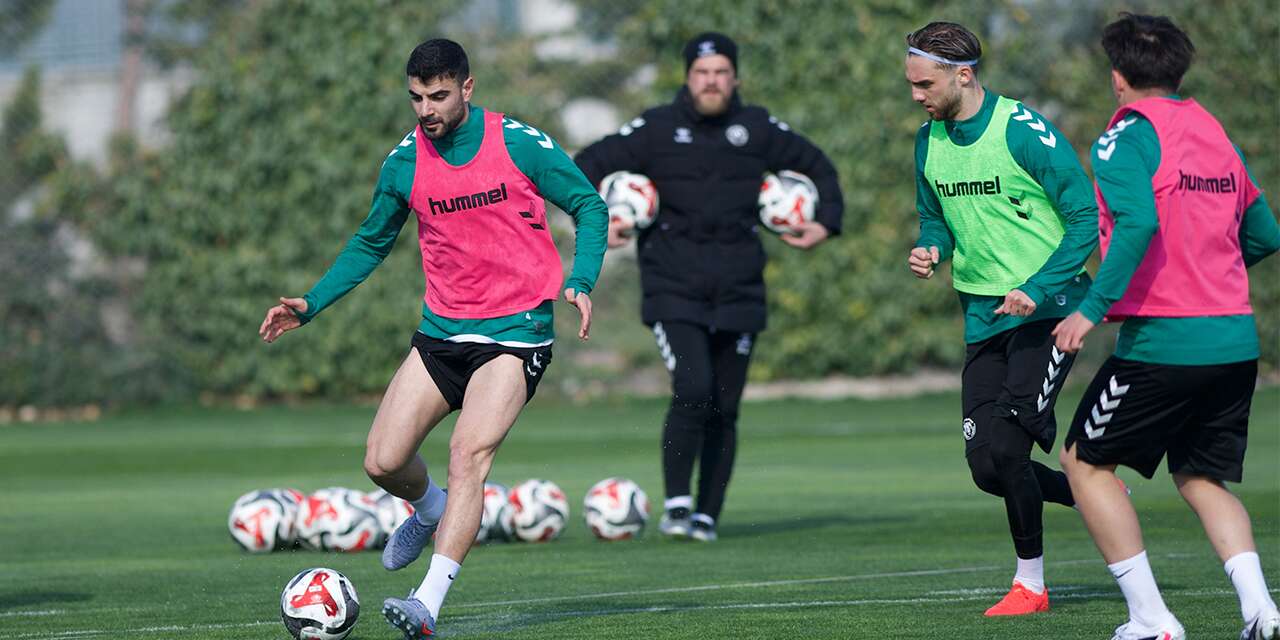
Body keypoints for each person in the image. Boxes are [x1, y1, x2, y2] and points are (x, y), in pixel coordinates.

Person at [257, 38, 607, 639]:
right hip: (443, 331)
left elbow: (589, 205)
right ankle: (432, 510)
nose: (427, 110)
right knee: (383, 461)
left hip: (516, 332)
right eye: (417, 98)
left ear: (467, 88)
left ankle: (426, 604)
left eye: (439, 96)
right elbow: (371, 242)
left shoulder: (517, 143)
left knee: (467, 455)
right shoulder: (404, 163)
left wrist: (580, 279)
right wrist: (311, 303)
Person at [1054, 13, 1280, 640]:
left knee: (1083, 463)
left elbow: (1137, 224)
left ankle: (1152, 619)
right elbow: (1265, 234)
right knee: (1200, 476)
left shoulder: (1123, 138)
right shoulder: (1214, 131)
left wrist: (1090, 310)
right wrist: (1210, 273)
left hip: (1164, 342)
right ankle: (1261, 610)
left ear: (1118, 76)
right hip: (1234, 340)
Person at [574, 32, 844, 542]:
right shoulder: (656, 128)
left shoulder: (757, 128)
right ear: (688, 77)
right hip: (672, 287)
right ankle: (677, 504)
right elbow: (585, 164)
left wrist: (826, 223)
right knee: (694, 387)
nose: (711, 81)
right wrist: (598, 222)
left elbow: (818, 166)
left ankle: (707, 516)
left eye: (721, 72)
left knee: (725, 406)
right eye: (702, 73)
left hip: (740, 290)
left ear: (735, 78)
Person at [904, 21, 1099, 616]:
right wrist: (932, 247)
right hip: (984, 318)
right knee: (987, 468)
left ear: (963, 76)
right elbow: (935, 216)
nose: (916, 95)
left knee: (1011, 450)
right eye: (911, 83)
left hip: (1050, 312)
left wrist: (1037, 288)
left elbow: (1085, 219)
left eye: (925, 84)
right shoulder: (928, 140)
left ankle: (1030, 586)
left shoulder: (1022, 131)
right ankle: (1095, 495)